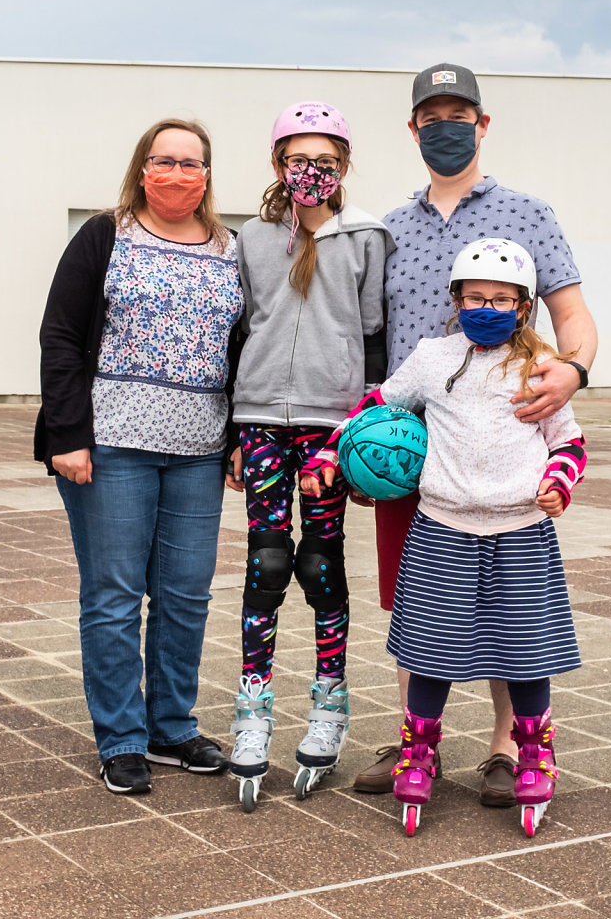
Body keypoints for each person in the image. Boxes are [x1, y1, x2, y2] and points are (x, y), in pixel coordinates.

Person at [354, 63, 598, 806]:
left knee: (507, 602)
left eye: (461, 114)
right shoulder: (388, 228)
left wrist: (573, 373)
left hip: (505, 438)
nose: (447, 127)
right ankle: (413, 739)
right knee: (416, 595)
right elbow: (368, 335)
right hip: (410, 450)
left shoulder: (530, 213)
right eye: (433, 117)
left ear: (483, 124)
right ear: (413, 128)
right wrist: (359, 436)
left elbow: (574, 315)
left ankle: (503, 747)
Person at [302, 238, 586, 837]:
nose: (489, 307)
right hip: (442, 528)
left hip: (520, 529)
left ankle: (534, 752)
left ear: (523, 306)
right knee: (431, 650)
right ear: (455, 301)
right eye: (476, 297)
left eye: (503, 299)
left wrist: (559, 482)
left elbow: (569, 441)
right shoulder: (433, 356)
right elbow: (378, 404)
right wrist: (331, 453)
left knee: (524, 649)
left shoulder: (540, 366)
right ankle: (419, 749)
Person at [35, 119, 243, 795]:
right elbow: (61, 335)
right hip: (110, 446)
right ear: (142, 166)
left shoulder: (229, 248)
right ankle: (122, 737)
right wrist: (69, 435)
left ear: (208, 174)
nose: (178, 174)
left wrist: (240, 439)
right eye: (165, 161)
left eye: (192, 163)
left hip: (198, 452)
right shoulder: (104, 234)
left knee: (186, 595)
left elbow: (245, 352)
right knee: (115, 595)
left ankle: (172, 728)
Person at [224, 102, 393, 810]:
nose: (311, 172)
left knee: (322, 562)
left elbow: (376, 343)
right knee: (266, 562)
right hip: (261, 420)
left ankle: (330, 702)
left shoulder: (366, 238)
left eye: (326, 161)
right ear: (276, 165)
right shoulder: (252, 240)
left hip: (331, 423)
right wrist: (231, 431)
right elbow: (236, 333)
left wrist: (365, 438)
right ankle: (253, 709)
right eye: (298, 160)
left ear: (344, 167)